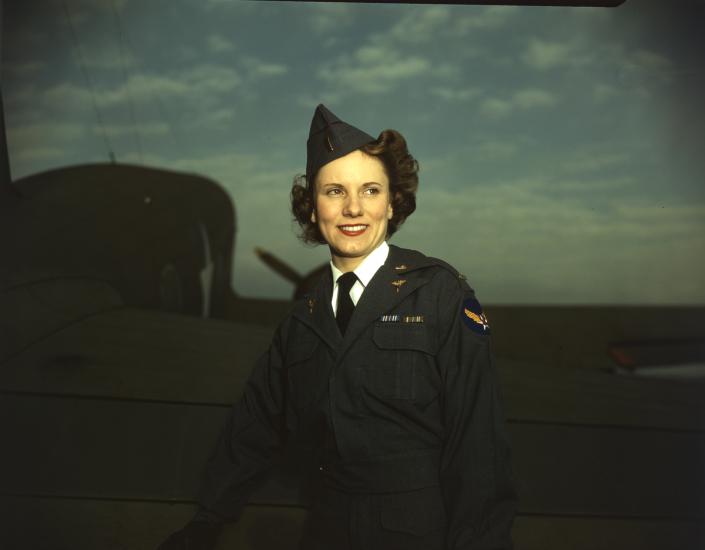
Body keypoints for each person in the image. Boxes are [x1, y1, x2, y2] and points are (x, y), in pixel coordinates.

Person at [158, 104, 516, 550]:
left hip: (419, 533)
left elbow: (478, 445)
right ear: (312, 209)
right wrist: (208, 520)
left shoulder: (440, 293)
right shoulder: (301, 320)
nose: (352, 208)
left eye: (370, 190)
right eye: (333, 191)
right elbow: (254, 425)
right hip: (325, 530)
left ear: (392, 203)